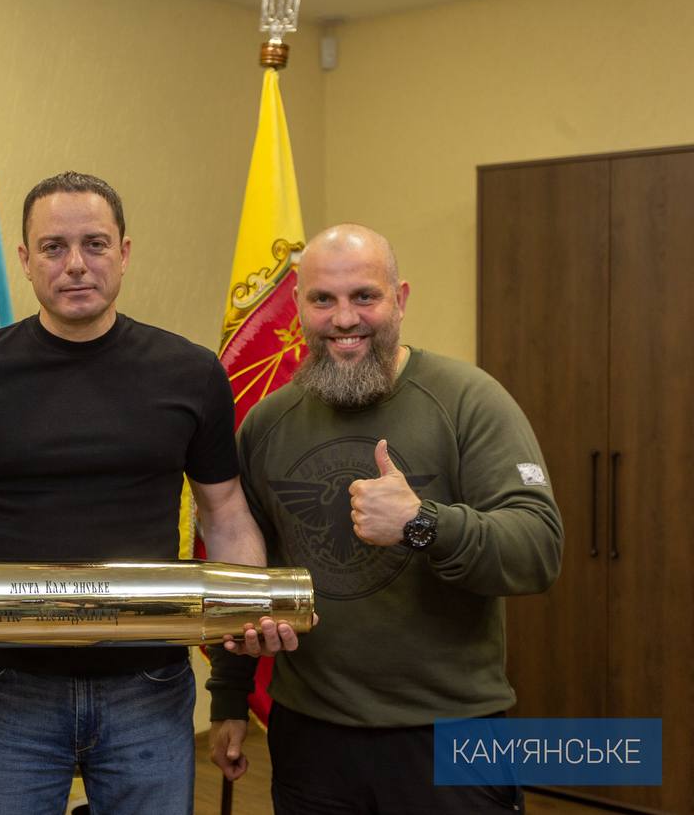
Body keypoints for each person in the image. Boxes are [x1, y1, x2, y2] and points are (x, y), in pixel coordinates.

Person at [0, 171, 296, 814]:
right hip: (9, 690)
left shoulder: (191, 373)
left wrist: (246, 613)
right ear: (25, 260)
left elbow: (226, 513)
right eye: (54, 247)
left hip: (148, 686)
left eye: (95, 244)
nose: (75, 264)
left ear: (123, 253)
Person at [206, 223, 563, 813]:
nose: (344, 318)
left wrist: (422, 523)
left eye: (365, 296)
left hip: (452, 731)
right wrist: (228, 699)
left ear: (400, 299)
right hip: (310, 736)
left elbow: (539, 549)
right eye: (323, 299)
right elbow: (241, 574)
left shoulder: (469, 400)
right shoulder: (266, 423)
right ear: (298, 306)